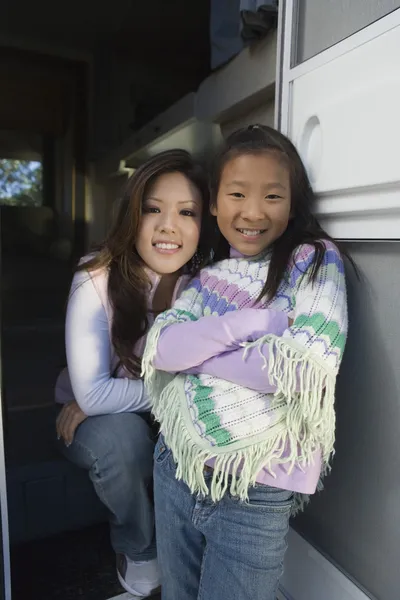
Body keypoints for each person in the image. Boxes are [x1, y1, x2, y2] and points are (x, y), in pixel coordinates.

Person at [142, 125, 350, 600]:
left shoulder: (313, 262)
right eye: (236, 194)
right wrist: (245, 326)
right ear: (214, 203)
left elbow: (298, 373)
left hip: (258, 486)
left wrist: (199, 355)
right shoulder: (205, 277)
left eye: (273, 196)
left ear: (293, 203)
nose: (253, 212)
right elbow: (163, 350)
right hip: (179, 462)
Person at [54, 149, 212, 598]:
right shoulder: (96, 276)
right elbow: (93, 399)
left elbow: (212, 385)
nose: (168, 226)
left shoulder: (208, 285)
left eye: (187, 212)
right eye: (152, 210)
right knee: (121, 439)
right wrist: (99, 399)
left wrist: (113, 395)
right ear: (131, 215)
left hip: (160, 415)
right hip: (89, 421)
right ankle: (139, 548)